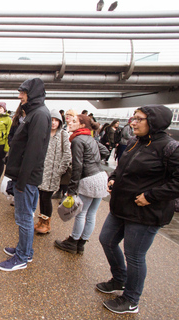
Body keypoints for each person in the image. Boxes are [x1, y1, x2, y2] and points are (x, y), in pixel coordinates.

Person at [97, 105, 179, 314]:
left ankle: (131, 299)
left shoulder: (170, 148)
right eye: (133, 118)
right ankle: (120, 279)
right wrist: (113, 178)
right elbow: (121, 168)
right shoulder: (134, 142)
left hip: (146, 212)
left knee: (134, 255)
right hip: (122, 206)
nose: (133, 122)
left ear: (154, 122)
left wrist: (151, 197)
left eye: (139, 119)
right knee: (106, 239)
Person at [0, 78, 51, 271]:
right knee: (25, 216)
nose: (20, 96)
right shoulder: (36, 113)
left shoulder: (38, 115)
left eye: (23, 92)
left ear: (33, 93)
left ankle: (21, 258)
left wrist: (22, 180)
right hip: (25, 176)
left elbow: (33, 151)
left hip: (26, 177)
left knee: (24, 218)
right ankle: (25, 250)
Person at [54, 114, 109, 254]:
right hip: (101, 176)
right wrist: (93, 159)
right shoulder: (90, 137)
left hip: (89, 179)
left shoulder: (77, 140)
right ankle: (81, 244)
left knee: (81, 213)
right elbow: (105, 151)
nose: (70, 123)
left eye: (74, 121)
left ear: (82, 125)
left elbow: (77, 167)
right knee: (91, 214)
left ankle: (72, 242)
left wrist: (71, 190)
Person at [35, 109, 72, 234]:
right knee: (41, 195)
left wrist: (59, 170)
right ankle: (41, 219)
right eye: (51, 120)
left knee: (47, 197)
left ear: (60, 122)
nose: (54, 123)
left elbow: (67, 155)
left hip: (53, 174)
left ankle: (47, 223)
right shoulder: (44, 134)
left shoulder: (63, 135)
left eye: (56, 120)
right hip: (42, 171)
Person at [53, 108, 77, 199]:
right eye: (67, 114)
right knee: (62, 175)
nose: (67, 116)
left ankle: (65, 194)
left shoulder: (74, 128)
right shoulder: (63, 127)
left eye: (70, 115)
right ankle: (59, 191)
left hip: (70, 154)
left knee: (67, 175)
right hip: (61, 153)